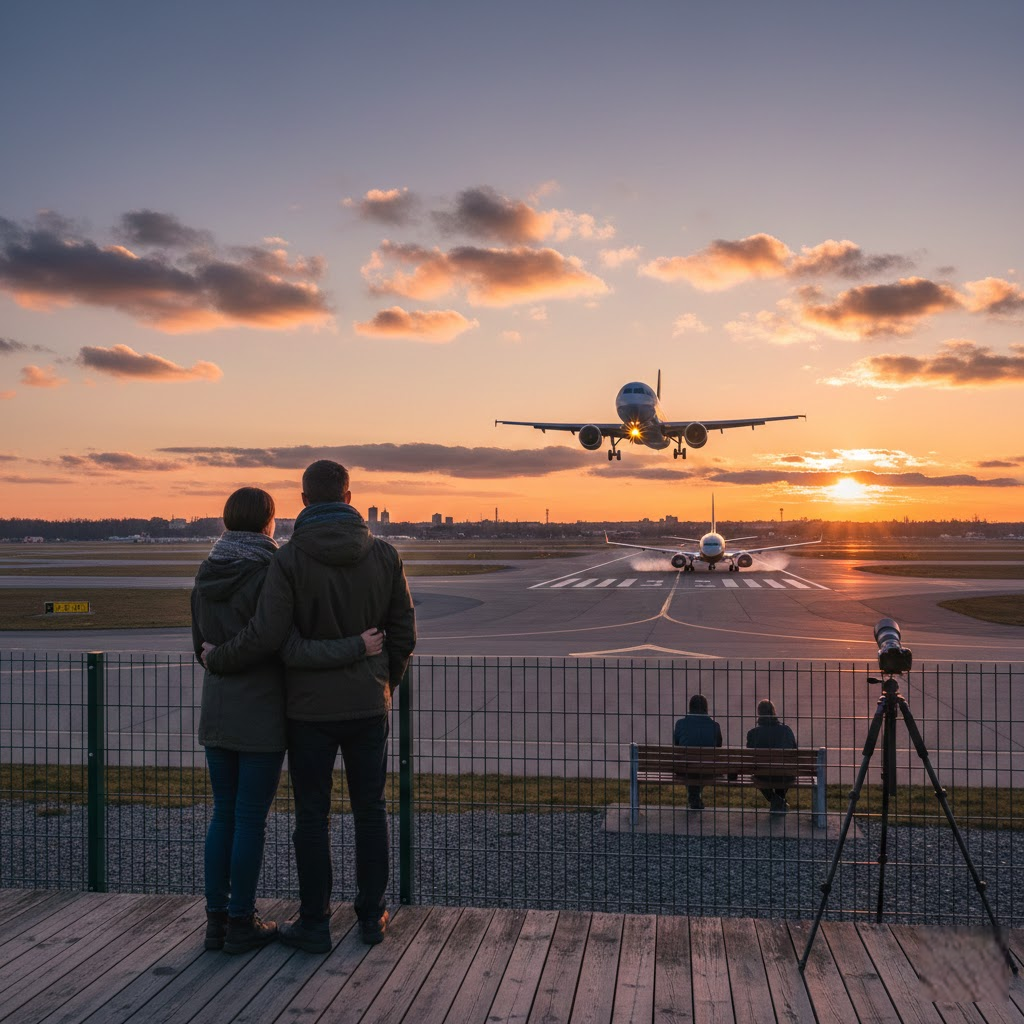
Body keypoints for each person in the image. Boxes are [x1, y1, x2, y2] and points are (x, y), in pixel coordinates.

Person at [202, 460, 416, 953]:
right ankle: (370, 915)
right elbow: (403, 634)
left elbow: (275, 638)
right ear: (349, 496)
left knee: (312, 818)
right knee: (370, 811)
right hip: (367, 705)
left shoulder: (290, 559)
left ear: (303, 500)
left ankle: (315, 922)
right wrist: (382, 683)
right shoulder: (385, 555)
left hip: (307, 711)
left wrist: (218, 659)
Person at [745, 698, 798, 815]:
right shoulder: (786, 730)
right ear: (774, 712)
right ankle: (779, 800)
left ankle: (776, 800)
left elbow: (750, 759)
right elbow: (794, 751)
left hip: (763, 776)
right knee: (782, 769)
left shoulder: (753, 733)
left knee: (757, 775)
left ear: (759, 714)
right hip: (785, 775)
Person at [672, 693, 722, 810]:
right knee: (701, 765)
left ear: (690, 707)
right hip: (708, 769)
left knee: (689, 764)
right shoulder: (715, 726)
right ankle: (694, 796)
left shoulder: (680, 724)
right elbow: (718, 746)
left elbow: (677, 745)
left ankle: (694, 796)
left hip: (684, 768)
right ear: (706, 708)